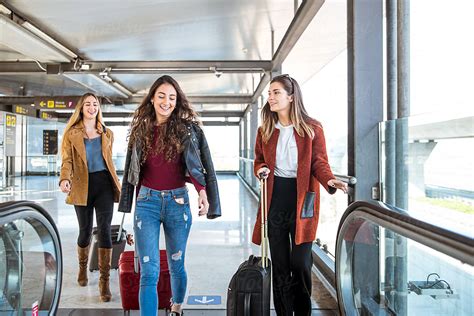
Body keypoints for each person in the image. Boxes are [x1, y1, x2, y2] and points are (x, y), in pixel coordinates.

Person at [118, 75, 221, 316]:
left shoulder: (187, 130)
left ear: (177, 101)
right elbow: (131, 171)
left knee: (176, 265)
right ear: (152, 98)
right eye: (162, 96)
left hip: (178, 203)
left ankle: (176, 307)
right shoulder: (140, 130)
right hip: (146, 204)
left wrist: (203, 193)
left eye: (172, 98)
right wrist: (127, 205)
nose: (167, 102)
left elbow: (198, 165)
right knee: (149, 271)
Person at [253, 74, 348, 316]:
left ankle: (303, 311)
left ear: (291, 96)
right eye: (269, 93)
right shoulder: (265, 129)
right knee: (281, 266)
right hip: (274, 199)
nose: (270, 97)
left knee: (301, 262)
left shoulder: (312, 128)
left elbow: (319, 162)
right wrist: (261, 168)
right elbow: (259, 160)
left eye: (276, 92)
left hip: (303, 199)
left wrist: (330, 179)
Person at [59, 93, 121, 302]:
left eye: (95, 104)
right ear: (81, 108)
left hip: (104, 184)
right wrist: (64, 179)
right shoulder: (71, 134)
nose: (92, 107)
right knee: (85, 231)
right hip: (82, 186)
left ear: (98, 109)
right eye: (88, 104)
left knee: (104, 229)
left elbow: (109, 161)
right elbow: (67, 161)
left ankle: (104, 282)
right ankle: (83, 268)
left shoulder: (107, 133)